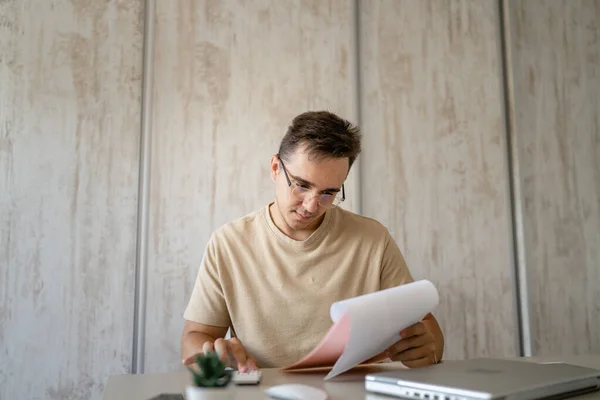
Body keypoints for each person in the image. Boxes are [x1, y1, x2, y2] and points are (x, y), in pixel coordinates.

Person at [181, 110, 444, 372]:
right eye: (301, 185)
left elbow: (428, 329)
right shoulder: (228, 243)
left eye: (328, 193)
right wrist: (213, 356)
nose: (311, 206)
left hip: (355, 391)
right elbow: (193, 338)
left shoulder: (373, 240)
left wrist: (427, 348)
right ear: (275, 168)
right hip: (265, 392)